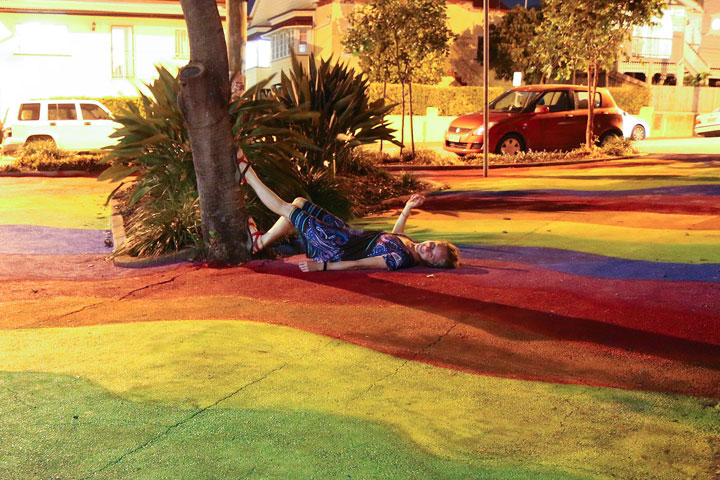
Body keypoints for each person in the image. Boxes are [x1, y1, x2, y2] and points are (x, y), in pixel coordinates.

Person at [236, 150, 460, 272]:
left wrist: (322, 267)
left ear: (429, 263)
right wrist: (407, 208)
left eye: (432, 254)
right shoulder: (409, 244)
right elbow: (394, 235)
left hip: (336, 246)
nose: (428, 247)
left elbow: (359, 264)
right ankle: (260, 243)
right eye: (434, 244)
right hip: (343, 232)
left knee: (288, 209)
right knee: (299, 202)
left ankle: (248, 174)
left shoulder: (400, 259)